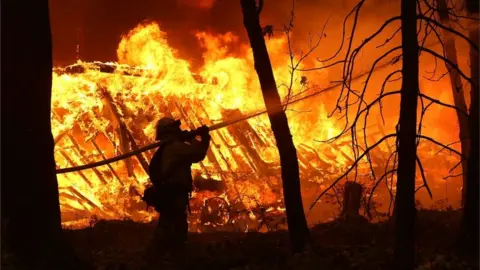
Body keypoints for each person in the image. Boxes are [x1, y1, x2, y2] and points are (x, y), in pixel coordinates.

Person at [146, 117, 211, 259]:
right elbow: (198, 154)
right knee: (173, 224)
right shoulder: (174, 147)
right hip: (173, 193)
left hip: (170, 192)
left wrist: (192, 137)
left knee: (170, 222)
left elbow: (193, 154)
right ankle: (166, 256)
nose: (179, 130)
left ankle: (162, 255)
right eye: (176, 128)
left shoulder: (170, 147)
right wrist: (204, 137)